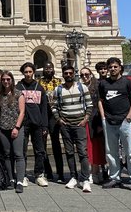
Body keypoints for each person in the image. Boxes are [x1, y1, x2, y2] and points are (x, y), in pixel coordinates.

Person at [99, 57, 131, 193]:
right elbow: (100, 101)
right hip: (109, 122)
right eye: (110, 67)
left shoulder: (127, 83)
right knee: (111, 152)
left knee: (130, 153)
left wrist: (129, 117)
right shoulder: (103, 84)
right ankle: (115, 177)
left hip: (125, 122)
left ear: (120, 68)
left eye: (115, 67)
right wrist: (103, 117)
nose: (112, 69)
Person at [51, 64, 93, 192]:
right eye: (66, 73)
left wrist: (85, 119)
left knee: (82, 152)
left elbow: (89, 105)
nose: (68, 75)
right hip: (66, 125)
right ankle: (74, 177)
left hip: (79, 124)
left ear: (73, 74)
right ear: (63, 75)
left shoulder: (82, 87)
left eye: (70, 73)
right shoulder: (58, 90)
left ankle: (85, 179)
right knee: (69, 152)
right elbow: (54, 106)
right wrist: (59, 120)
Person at [16, 62, 49, 187]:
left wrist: (45, 126)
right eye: (26, 72)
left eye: (30, 72)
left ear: (33, 72)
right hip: (23, 124)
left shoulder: (39, 87)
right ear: (23, 73)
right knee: (22, 150)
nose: (28, 74)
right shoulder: (18, 87)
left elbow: (44, 108)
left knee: (40, 151)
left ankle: (39, 174)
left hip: (37, 123)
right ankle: (22, 175)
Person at [0, 71, 26, 193]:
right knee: (7, 155)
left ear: (12, 80)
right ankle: (11, 180)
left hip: (16, 127)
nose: (6, 81)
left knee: (19, 154)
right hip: (3, 128)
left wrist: (17, 127)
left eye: (8, 79)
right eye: (4, 79)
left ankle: (19, 181)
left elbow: (22, 112)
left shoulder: (19, 94)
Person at [80, 66, 107, 184]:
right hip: (84, 120)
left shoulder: (97, 86)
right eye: (82, 75)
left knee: (96, 146)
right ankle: (93, 171)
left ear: (91, 74)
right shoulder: (80, 87)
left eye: (87, 74)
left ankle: (95, 172)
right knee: (88, 146)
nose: (84, 76)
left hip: (96, 120)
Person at [38, 62, 64, 184]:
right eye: (46, 68)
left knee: (56, 143)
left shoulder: (59, 82)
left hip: (54, 116)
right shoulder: (39, 82)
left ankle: (60, 173)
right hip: (43, 115)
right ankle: (47, 171)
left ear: (53, 69)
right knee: (42, 145)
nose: (48, 70)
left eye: (50, 68)